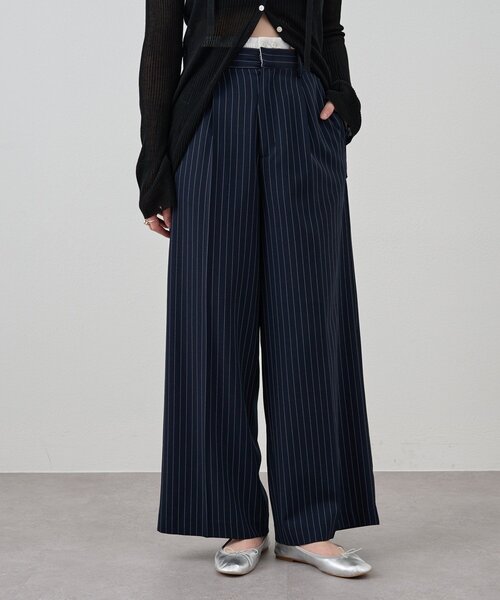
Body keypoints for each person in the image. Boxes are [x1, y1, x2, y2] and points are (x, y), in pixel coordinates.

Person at [136, 0, 380, 578]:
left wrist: (343, 101)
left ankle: (309, 525)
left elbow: (329, 27)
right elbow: (160, 47)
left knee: (308, 320)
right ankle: (237, 517)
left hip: (302, 106)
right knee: (215, 323)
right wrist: (155, 170)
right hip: (212, 110)